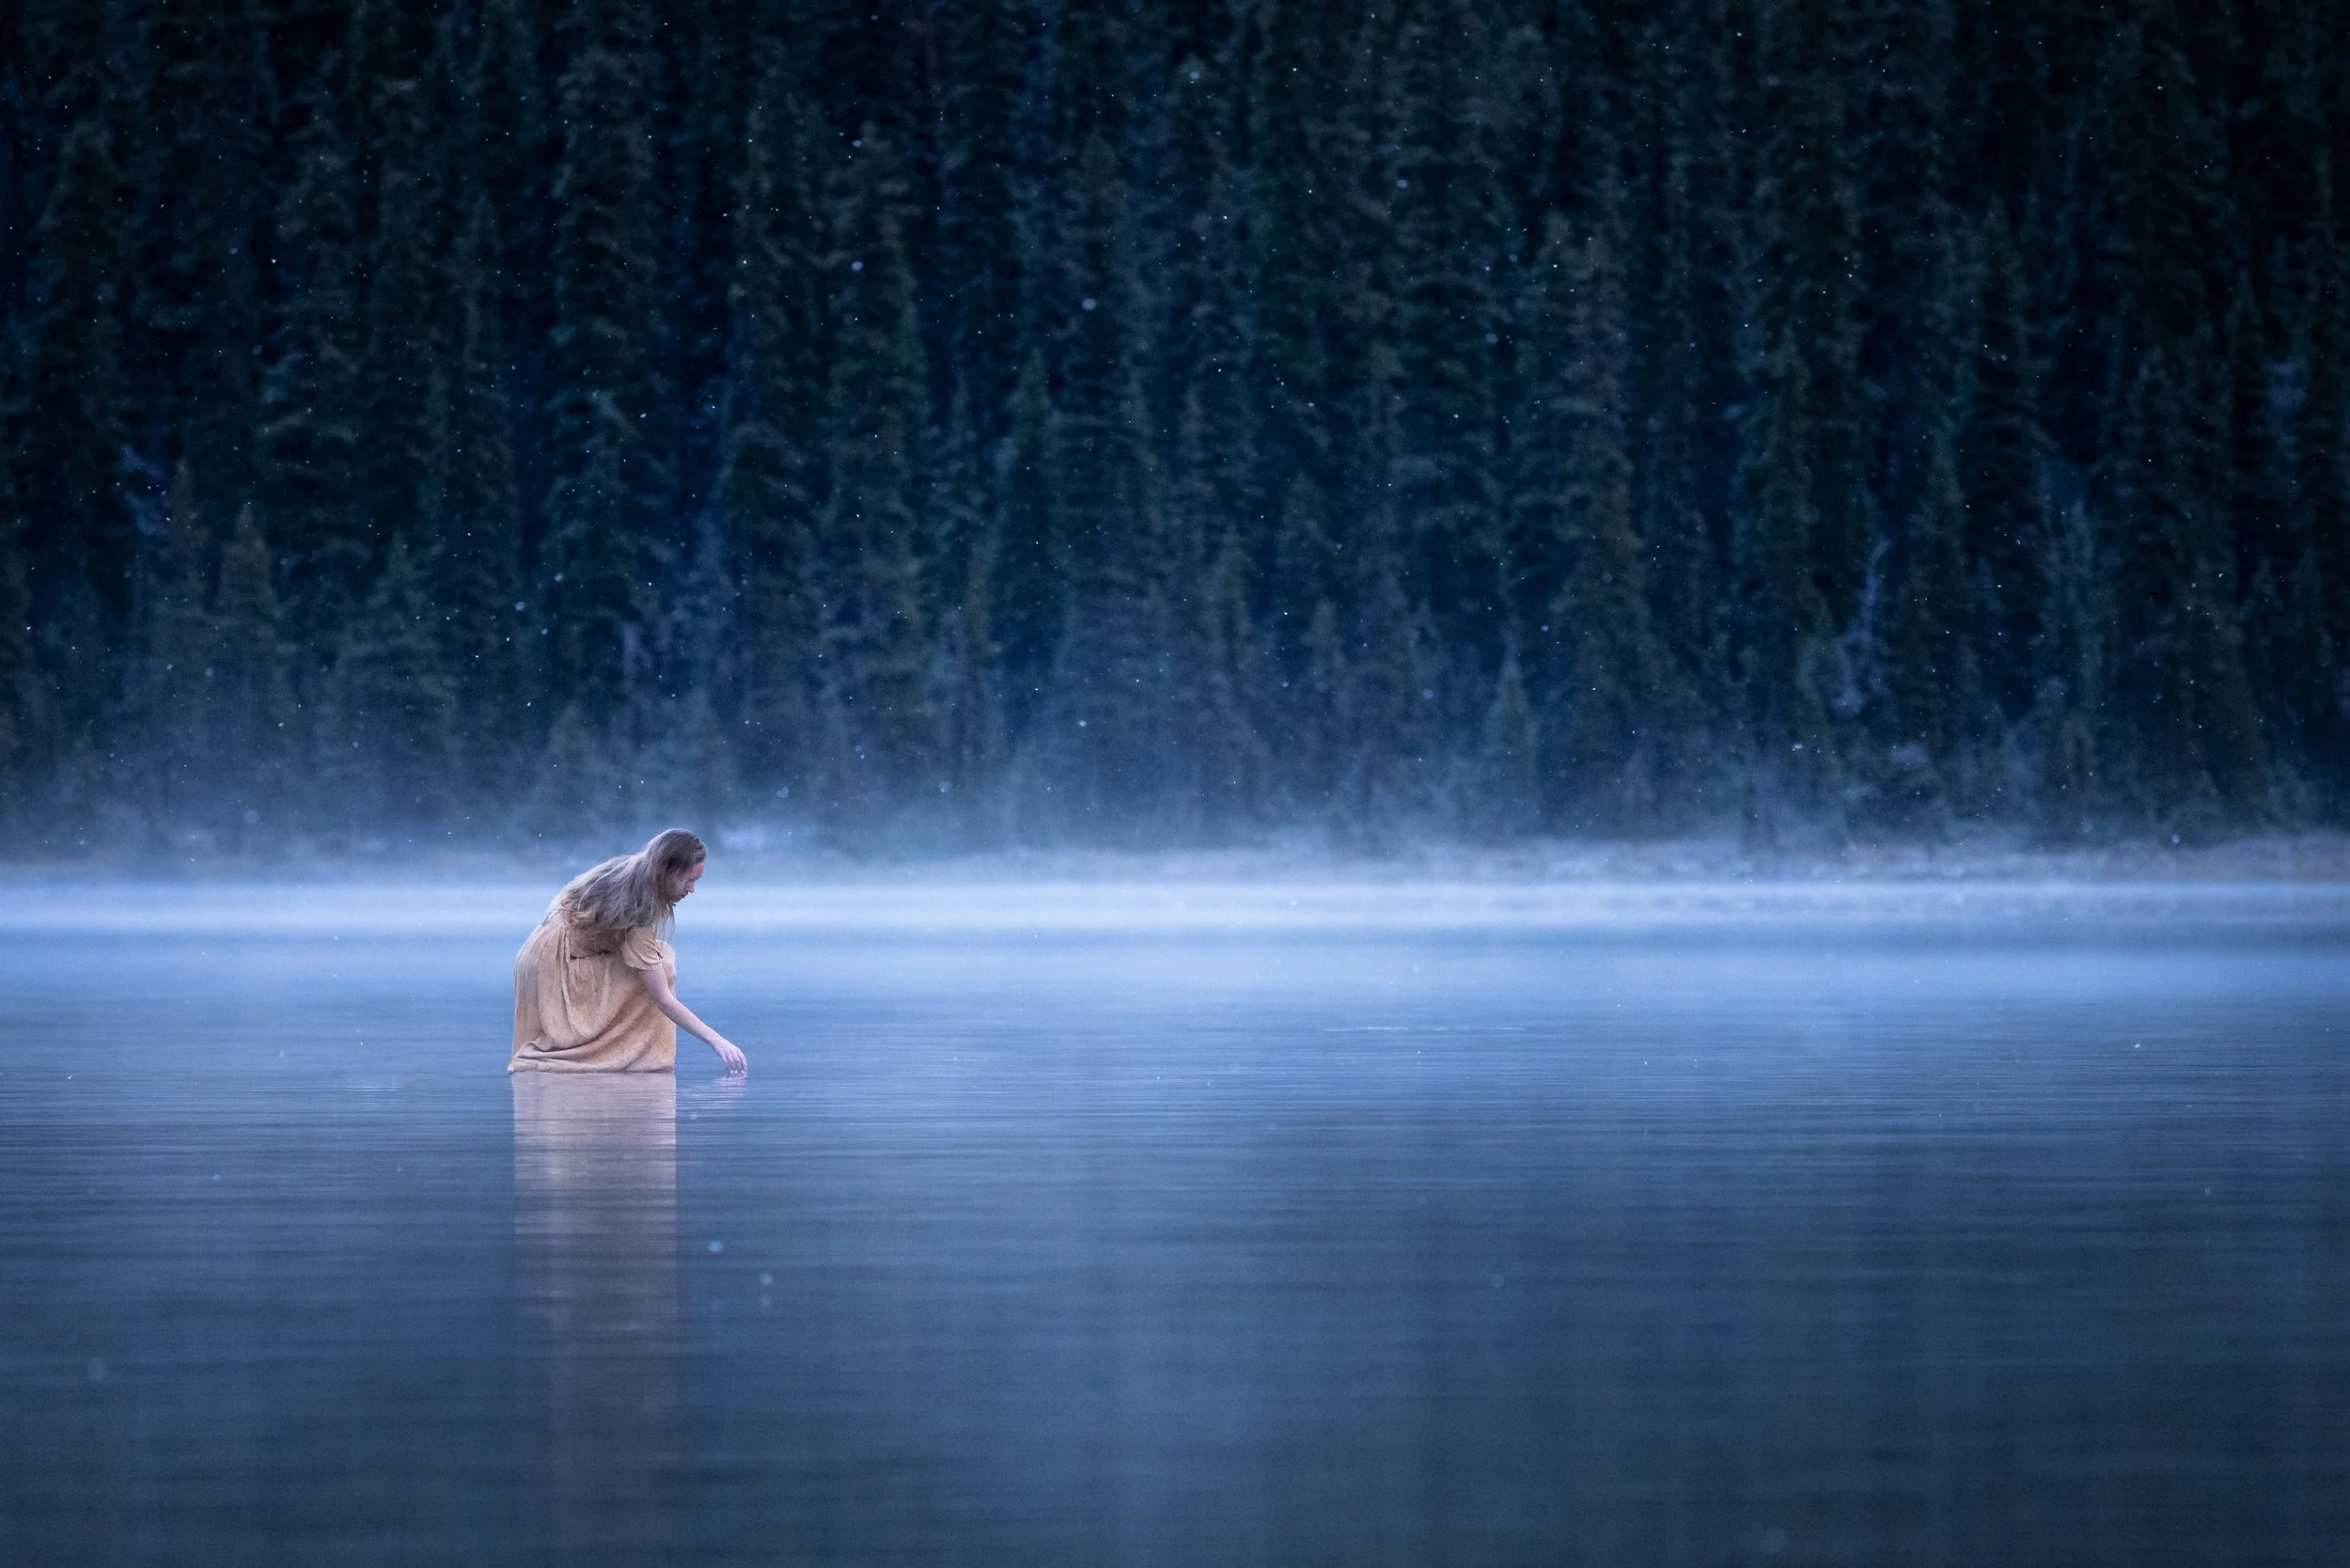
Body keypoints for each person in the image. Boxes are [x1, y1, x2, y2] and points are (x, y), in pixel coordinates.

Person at [510, 828, 749, 1075]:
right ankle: (620, 1054)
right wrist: (718, 1042)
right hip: (554, 963)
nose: (692, 890)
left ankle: (622, 1050)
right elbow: (662, 999)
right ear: (667, 871)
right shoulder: (637, 907)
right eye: (688, 880)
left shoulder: (631, 869)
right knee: (662, 970)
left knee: (659, 957)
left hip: (539, 951)